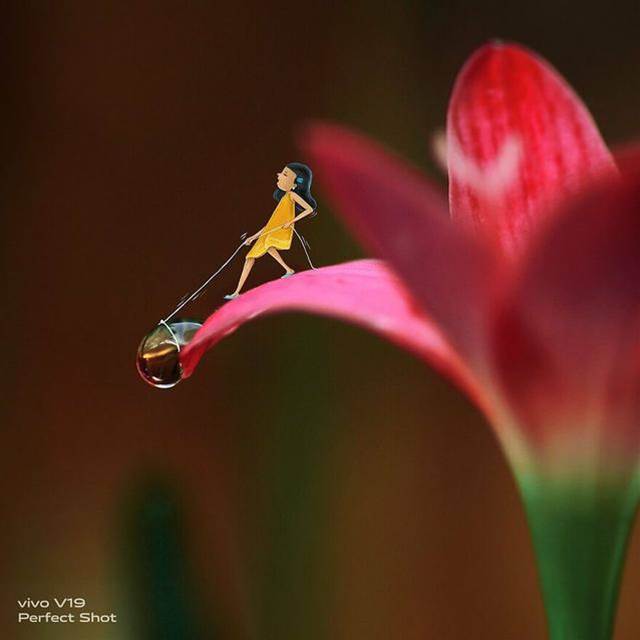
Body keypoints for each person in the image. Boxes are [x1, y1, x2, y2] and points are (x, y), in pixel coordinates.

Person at [224, 162, 317, 299]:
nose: (279, 175)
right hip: (272, 230)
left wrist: (290, 222)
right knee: (252, 256)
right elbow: (269, 225)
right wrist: (253, 237)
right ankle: (238, 292)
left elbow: (309, 209)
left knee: (267, 246)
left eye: (285, 174)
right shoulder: (284, 198)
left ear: (294, 184)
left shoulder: (291, 195)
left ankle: (237, 292)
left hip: (281, 230)